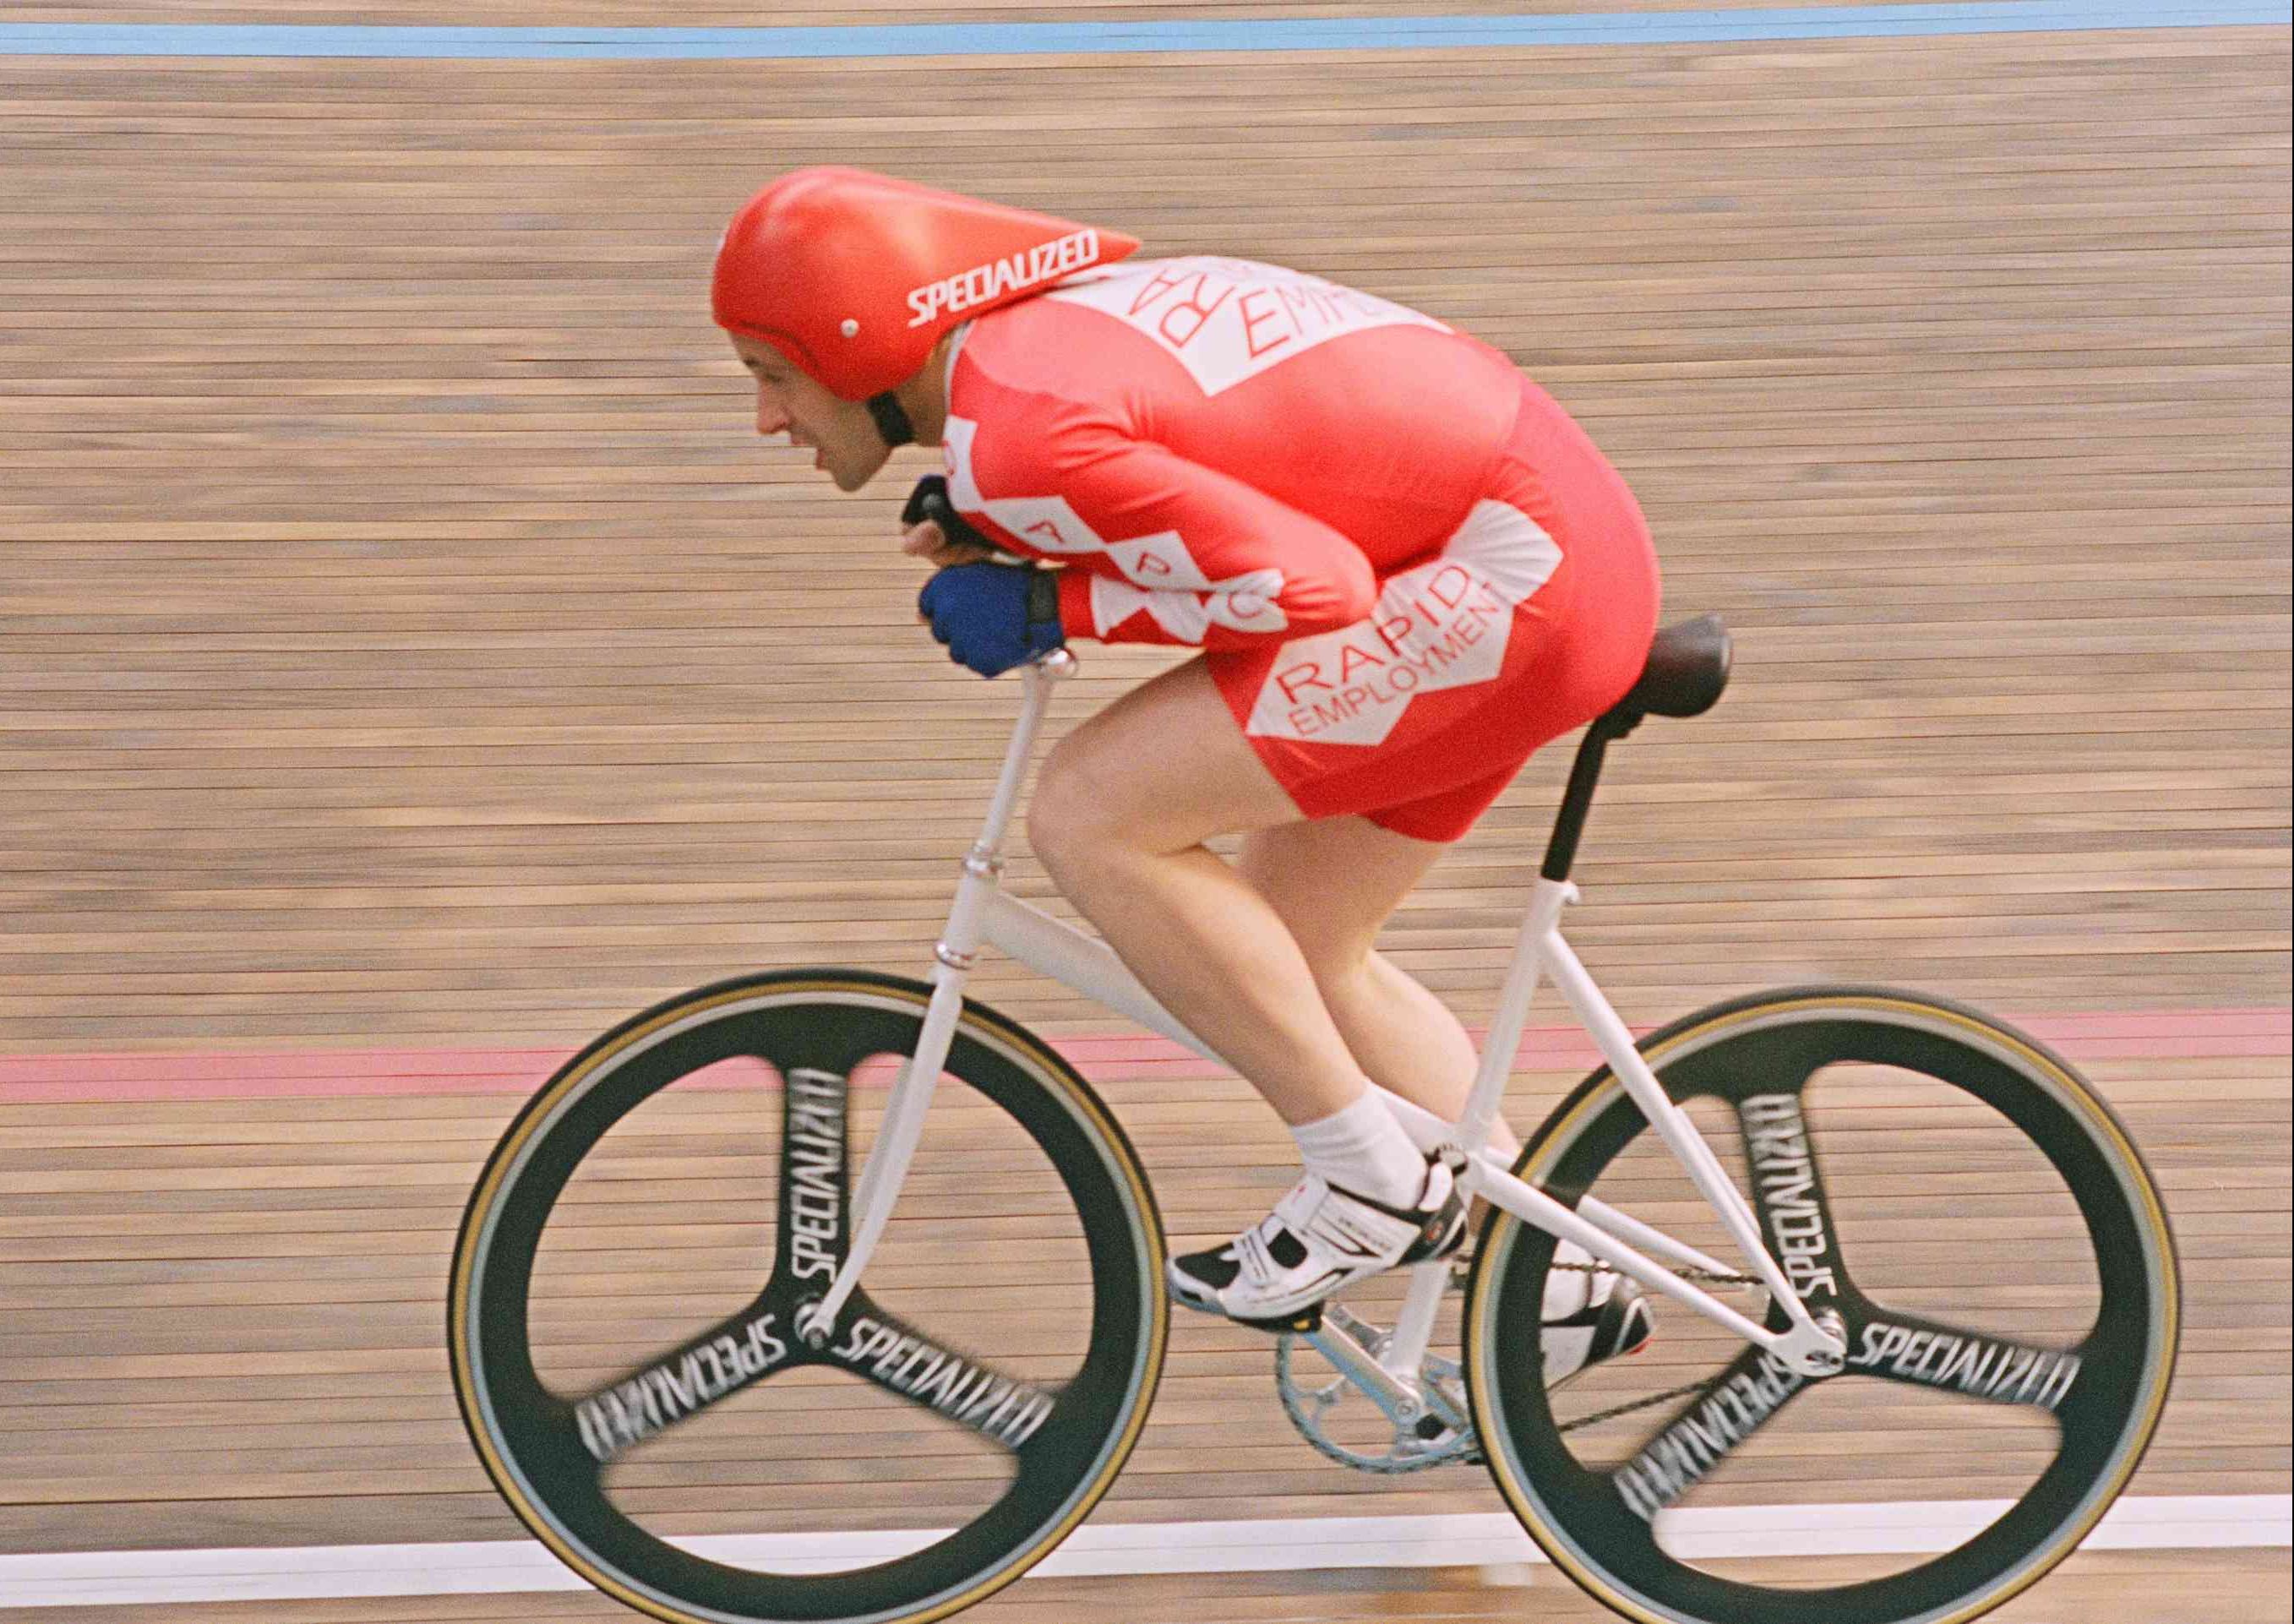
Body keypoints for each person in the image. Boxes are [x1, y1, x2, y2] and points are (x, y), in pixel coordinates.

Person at [713, 166, 1659, 1357]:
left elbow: (1310, 587)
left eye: (770, 375)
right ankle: (1557, 1284)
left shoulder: (1015, 431)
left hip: (1513, 572)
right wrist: (1019, 529)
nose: (764, 419)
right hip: (1549, 550)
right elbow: (1220, 464)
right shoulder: (1022, 368)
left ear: (854, 345)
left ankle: (1367, 1178)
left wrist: (1057, 601)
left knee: (1091, 813)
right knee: (1293, 950)